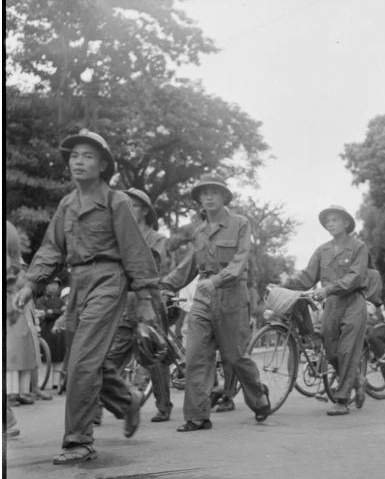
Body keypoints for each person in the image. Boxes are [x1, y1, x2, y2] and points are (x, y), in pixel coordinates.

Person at [12, 128, 160, 464]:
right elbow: (51, 248)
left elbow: (136, 252)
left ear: (103, 164)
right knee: (86, 361)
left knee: (80, 362)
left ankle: (78, 441)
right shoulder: (67, 204)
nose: (78, 162)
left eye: (87, 156)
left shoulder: (116, 201)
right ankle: (127, 401)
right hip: (77, 282)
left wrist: (147, 300)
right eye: (74, 156)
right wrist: (30, 285)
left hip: (109, 279)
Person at [160, 173, 270, 431]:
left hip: (231, 293)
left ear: (224, 196)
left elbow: (240, 260)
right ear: (199, 199)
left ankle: (258, 395)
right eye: (203, 193)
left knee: (234, 356)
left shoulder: (240, 223)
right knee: (195, 354)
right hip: (202, 297)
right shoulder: (199, 232)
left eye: (214, 192)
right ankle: (198, 416)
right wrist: (163, 286)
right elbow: (188, 266)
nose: (208, 196)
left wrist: (218, 280)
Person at [283, 205, 368, 415]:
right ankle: (357, 379)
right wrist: (284, 286)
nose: (330, 223)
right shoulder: (322, 250)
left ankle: (341, 399)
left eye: (335, 220)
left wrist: (328, 289)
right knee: (331, 352)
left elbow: (355, 276)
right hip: (330, 305)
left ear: (346, 223)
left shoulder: (359, 247)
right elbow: (307, 277)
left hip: (353, 303)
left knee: (347, 350)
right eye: (327, 221)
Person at [100, 188, 173, 423]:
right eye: (126, 204)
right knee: (111, 356)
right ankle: (101, 407)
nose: (129, 208)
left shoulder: (157, 238)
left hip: (148, 301)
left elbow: (151, 263)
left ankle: (163, 406)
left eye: (135, 204)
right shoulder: (116, 236)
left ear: (145, 211)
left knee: (152, 356)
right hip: (122, 301)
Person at [6, 221, 39, 407]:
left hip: (21, 321)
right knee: (12, 358)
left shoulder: (19, 280)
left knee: (23, 358)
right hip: (15, 321)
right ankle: (10, 394)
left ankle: (20, 392)